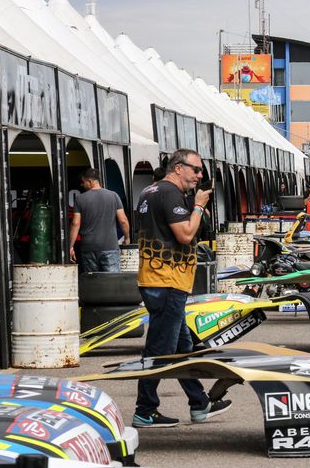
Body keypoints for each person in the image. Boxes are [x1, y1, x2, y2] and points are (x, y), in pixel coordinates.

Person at [133, 149, 231, 428]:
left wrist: (194, 208)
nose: (199, 176)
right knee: (160, 349)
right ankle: (145, 409)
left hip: (158, 279)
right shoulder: (169, 193)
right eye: (196, 170)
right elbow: (186, 234)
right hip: (167, 281)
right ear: (178, 167)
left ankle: (199, 403)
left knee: (182, 345)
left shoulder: (150, 191)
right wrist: (198, 207)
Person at [69, 168, 130, 273]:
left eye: (83, 182)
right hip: (109, 246)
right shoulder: (114, 196)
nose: (82, 185)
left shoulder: (80, 199)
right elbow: (123, 220)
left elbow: (75, 223)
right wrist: (127, 238)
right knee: (112, 282)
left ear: (90, 182)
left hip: (88, 247)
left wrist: (70, 246)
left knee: (93, 283)